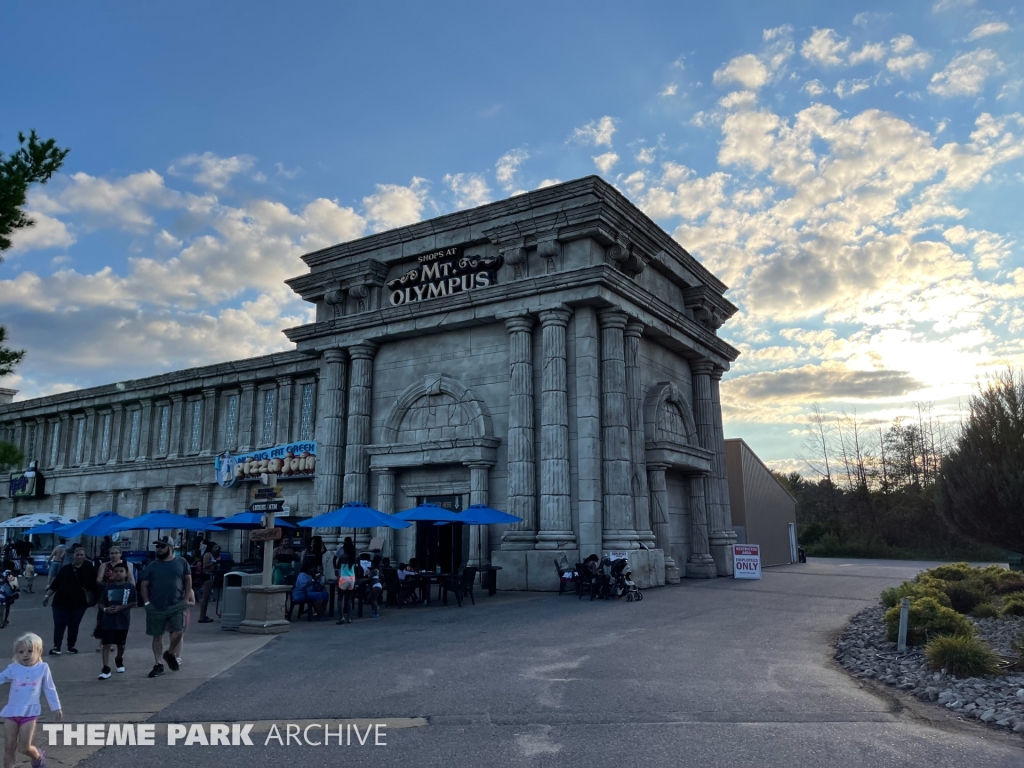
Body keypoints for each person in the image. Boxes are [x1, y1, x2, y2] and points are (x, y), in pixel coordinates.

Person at [0, 633, 62, 768]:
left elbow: (49, 688)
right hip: (11, 712)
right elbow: (1, 677)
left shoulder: (42, 668)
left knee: (24, 747)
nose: (25, 655)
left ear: (39, 651)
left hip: (29, 713)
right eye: (21, 652)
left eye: (29, 651)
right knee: (9, 747)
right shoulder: (13, 668)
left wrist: (56, 707)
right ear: (17, 654)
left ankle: (37, 756)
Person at [139, 537, 191, 679]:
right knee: (157, 635)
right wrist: (147, 603)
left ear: (171, 547)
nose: (159, 549)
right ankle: (158, 664)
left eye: (162, 546)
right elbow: (144, 584)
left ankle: (170, 653)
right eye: (157, 547)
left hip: (176, 604)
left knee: (179, 631)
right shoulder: (152, 565)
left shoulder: (182, 562)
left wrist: (186, 599)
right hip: (156, 605)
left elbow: (188, 580)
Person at [42, 547, 97, 655]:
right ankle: (56, 646)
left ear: (84, 556)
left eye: (81, 555)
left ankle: (71, 646)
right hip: (60, 602)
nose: (79, 557)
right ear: (73, 556)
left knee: (74, 625)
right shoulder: (66, 568)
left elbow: (94, 585)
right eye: (77, 555)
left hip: (79, 603)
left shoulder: (89, 568)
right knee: (59, 625)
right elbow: (55, 583)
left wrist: (95, 599)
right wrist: (47, 596)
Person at [93, 546, 136, 651]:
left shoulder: (126, 565)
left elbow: (131, 580)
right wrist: (108, 586)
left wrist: (131, 592)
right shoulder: (105, 565)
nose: (113, 555)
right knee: (104, 618)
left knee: (120, 618)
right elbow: (98, 579)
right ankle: (103, 642)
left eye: (115, 553)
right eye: (111, 553)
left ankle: (115, 642)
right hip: (108, 593)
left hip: (122, 594)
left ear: (120, 554)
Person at [97, 563, 135, 679]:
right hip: (108, 620)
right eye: (116, 571)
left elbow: (134, 602)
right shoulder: (108, 587)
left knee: (121, 644)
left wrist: (121, 608)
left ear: (126, 573)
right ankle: (106, 668)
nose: (118, 573)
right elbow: (101, 602)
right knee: (107, 643)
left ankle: (119, 658)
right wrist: (105, 609)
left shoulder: (129, 587)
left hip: (122, 620)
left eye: (121, 571)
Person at [197, 541, 221, 623]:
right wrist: (214, 562)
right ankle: (202, 616)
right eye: (214, 547)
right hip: (207, 575)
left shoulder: (210, 555)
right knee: (205, 596)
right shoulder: (208, 555)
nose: (216, 549)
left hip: (209, 575)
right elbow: (205, 566)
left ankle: (203, 615)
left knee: (206, 597)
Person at [334, 537, 356, 625]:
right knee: (348, 599)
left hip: (343, 577)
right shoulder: (354, 556)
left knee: (340, 598)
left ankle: (341, 617)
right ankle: (349, 618)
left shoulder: (342, 556)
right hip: (352, 578)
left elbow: (338, 566)